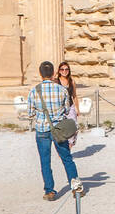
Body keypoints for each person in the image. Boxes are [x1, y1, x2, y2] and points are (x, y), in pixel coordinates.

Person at [27, 61, 83, 201]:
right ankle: (76, 188)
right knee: (67, 159)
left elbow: (30, 112)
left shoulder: (34, 91)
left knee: (45, 161)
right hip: (59, 129)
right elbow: (66, 109)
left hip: (42, 130)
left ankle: (49, 191)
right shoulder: (61, 89)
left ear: (40, 74)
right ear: (53, 73)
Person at [56, 60, 79, 151]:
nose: (64, 71)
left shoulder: (71, 81)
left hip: (70, 106)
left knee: (74, 127)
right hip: (60, 108)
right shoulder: (56, 82)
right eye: (62, 69)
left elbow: (74, 95)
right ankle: (62, 150)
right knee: (61, 129)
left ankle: (69, 147)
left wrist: (77, 108)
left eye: (66, 69)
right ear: (59, 70)